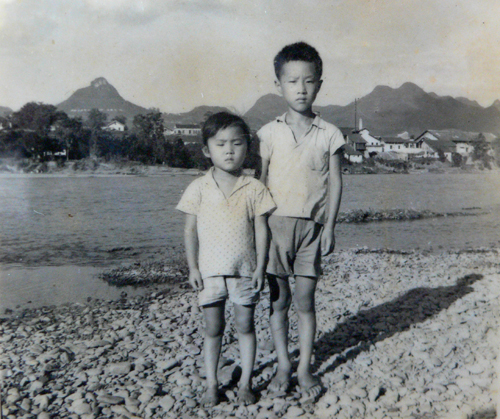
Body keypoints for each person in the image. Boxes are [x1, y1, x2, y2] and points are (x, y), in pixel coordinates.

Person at [258, 42, 345, 399]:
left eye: (309, 81)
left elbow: (335, 182)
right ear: (278, 84)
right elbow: (259, 183)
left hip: (312, 229)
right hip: (274, 228)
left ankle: (305, 367)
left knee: (305, 301)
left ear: (319, 84)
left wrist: (330, 227)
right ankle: (283, 364)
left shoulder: (330, 134)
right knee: (278, 300)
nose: (301, 89)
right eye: (292, 81)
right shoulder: (268, 133)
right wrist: (256, 230)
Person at [176, 112, 276, 406]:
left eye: (236, 143)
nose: (229, 151)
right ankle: (211, 384)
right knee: (213, 328)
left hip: (244, 271)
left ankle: (245, 383)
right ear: (207, 151)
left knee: (245, 325)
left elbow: (262, 229)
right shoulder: (198, 187)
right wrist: (193, 268)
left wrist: (260, 268)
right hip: (209, 272)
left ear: (247, 148)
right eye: (220, 144)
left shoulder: (255, 188)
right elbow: (189, 230)